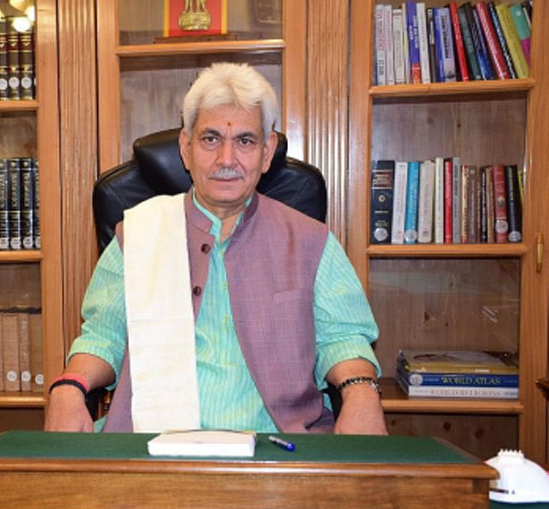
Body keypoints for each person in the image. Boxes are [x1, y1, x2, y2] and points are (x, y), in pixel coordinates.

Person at [45, 62, 387, 435]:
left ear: (267, 151)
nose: (226, 159)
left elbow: (343, 338)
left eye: (245, 141)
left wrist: (361, 393)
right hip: (152, 444)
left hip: (276, 446)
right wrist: (69, 387)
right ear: (186, 148)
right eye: (211, 139)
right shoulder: (139, 235)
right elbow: (103, 335)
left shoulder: (311, 241)